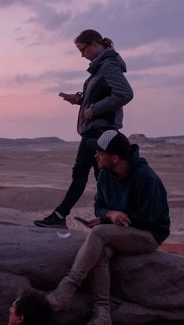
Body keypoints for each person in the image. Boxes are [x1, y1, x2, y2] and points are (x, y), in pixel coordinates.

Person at [46, 130, 169, 325]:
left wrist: (109, 220)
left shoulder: (146, 178)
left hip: (148, 235)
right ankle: (102, 317)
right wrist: (110, 214)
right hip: (121, 232)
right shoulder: (105, 174)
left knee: (99, 234)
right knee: (100, 252)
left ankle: (66, 289)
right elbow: (99, 207)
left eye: (100, 153)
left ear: (114, 158)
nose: (95, 156)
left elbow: (149, 220)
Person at [35, 30, 133, 228]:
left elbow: (125, 93)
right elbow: (103, 95)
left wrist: (95, 109)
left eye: (82, 50)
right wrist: (79, 100)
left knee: (82, 172)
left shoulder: (108, 66)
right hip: (98, 129)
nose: (81, 55)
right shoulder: (101, 68)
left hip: (99, 130)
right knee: (102, 176)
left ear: (94, 43)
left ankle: (60, 215)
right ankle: (112, 218)